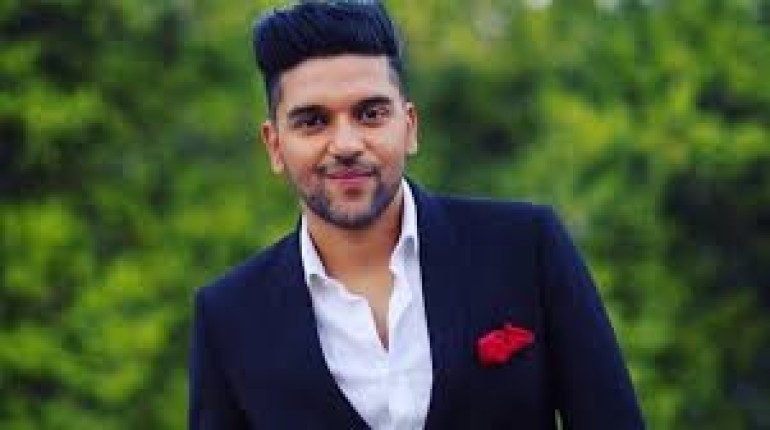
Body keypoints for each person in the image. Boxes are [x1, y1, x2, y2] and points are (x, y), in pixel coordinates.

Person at [188, 1, 645, 429]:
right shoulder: (229, 317)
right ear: (274, 145)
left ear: (409, 127)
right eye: (313, 121)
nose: (346, 144)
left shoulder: (525, 247)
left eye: (370, 114)